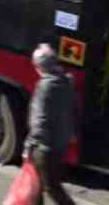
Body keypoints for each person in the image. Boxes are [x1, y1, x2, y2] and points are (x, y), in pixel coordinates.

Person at [24, 43, 76, 205]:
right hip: (60, 144)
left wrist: (29, 147)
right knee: (37, 184)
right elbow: (72, 111)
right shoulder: (65, 82)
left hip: (45, 147)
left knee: (50, 186)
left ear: (39, 66)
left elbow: (39, 121)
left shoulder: (45, 86)